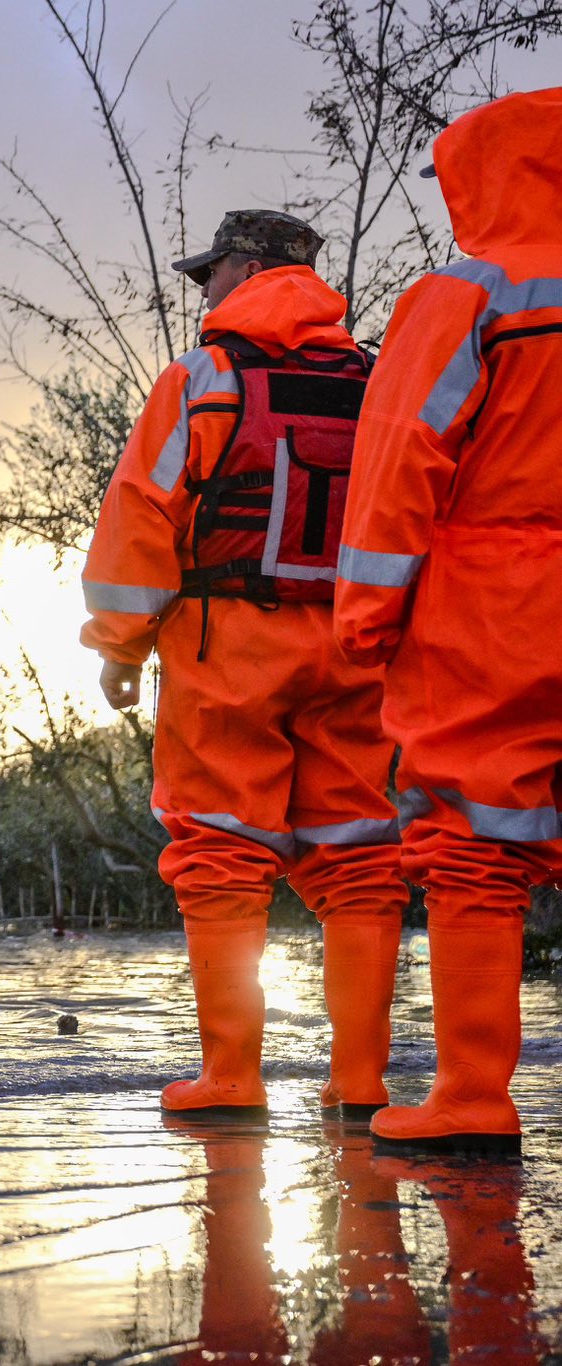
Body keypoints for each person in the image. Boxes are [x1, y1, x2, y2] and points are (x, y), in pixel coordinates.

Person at [81, 210, 407, 1120]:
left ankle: (230, 1079)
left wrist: (118, 644)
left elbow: (142, 518)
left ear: (248, 268)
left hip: (227, 643)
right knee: (359, 862)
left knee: (220, 851)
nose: (204, 293)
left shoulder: (203, 381)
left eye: (211, 274)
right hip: (355, 646)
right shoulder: (381, 383)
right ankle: (361, 1085)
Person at [334, 87, 562, 1156]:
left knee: (474, 841)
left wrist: (364, 619)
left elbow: (396, 462)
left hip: (492, 597)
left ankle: (471, 1096)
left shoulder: (468, 293)